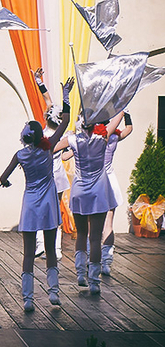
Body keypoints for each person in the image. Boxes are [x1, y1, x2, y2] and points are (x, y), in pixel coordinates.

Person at [0, 78, 73, 312]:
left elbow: (3, 176)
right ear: (40, 135)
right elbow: (66, 121)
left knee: (29, 252)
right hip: (48, 201)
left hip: (30, 201)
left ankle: (28, 298)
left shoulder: (20, 155)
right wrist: (66, 95)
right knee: (50, 248)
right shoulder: (48, 147)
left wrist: (6, 182)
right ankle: (54, 292)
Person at [67, 110, 124, 295]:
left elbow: (52, 148)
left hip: (79, 191)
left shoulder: (73, 139)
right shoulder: (103, 138)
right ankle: (94, 281)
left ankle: (80, 274)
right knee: (95, 238)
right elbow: (117, 120)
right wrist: (121, 106)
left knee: (81, 234)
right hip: (98, 193)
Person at [32, 69, 70, 260]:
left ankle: (50, 246)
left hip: (50, 176)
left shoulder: (50, 136)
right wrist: (39, 81)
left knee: (48, 210)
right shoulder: (59, 134)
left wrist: (39, 81)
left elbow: (47, 100)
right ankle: (48, 246)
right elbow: (48, 100)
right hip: (51, 175)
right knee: (48, 210)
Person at [100, 110, 132, 276]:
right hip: (110, 180)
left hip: (96, 181)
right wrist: (126, 113)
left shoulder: (94, 138)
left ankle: (91, 259)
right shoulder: (113, 137)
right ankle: (106, 261)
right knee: (108, 223)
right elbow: (129, 129)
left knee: (92, 224)